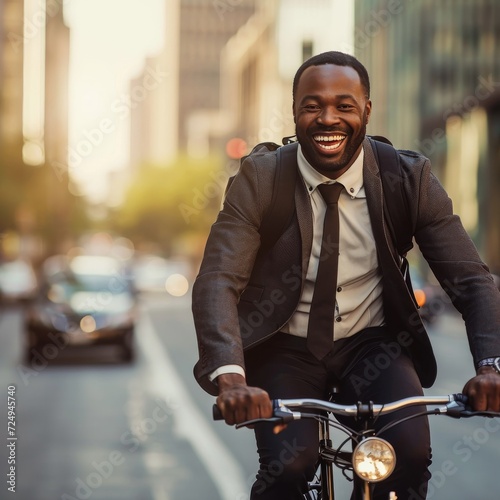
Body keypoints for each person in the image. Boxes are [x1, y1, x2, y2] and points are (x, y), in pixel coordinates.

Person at [191, 51, 500, 499]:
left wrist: (491, 368)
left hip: (373, 343)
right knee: (290, 464)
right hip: (286, 346)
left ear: (366, 111)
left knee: (408, 457)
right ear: (295, 111)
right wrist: (232, 380)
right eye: (312, 105)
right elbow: (219, 279)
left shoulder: (407, 179)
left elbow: (472, 279)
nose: (327, 118)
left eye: (344, 105)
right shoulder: (262, 178)